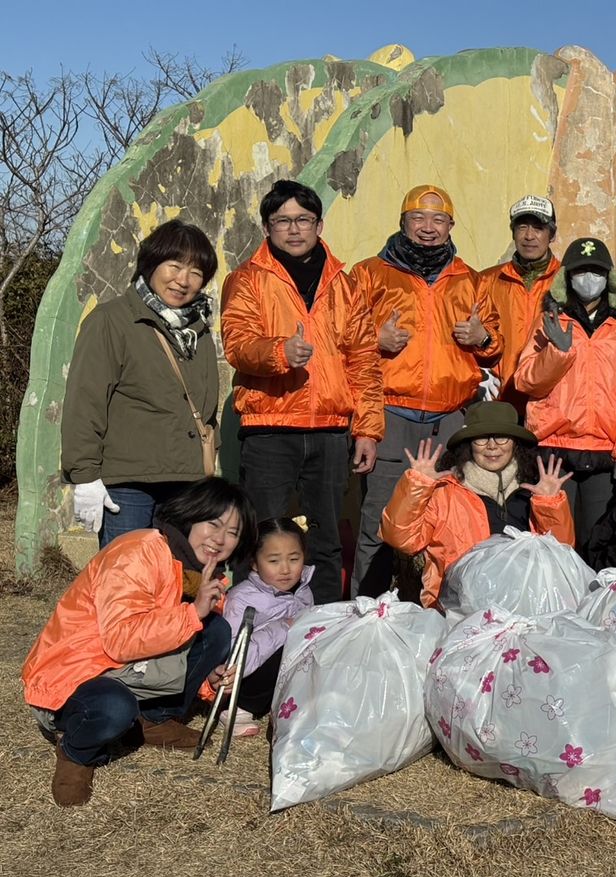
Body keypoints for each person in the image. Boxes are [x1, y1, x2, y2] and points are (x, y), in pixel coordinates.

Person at [22, 477, 256, 806]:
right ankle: (76, 751)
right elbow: (120, 641)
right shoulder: (138, 552)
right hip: (75, 677)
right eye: (213, 524)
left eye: (233, 533)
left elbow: (179, 645)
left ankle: (154, 720)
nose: (220, 539)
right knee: (115, 707)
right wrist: (193, 612)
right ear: (190, 516)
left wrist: (209, 682)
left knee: (216, 630)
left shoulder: (203, 573)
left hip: (127, 670)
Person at [221, 180, 384, 604]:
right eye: (283, 221)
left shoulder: (345, 286)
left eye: (303, 220)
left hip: (331, 430)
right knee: (261, 537)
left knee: (327, 539)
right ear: (267, 227)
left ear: (319, 224)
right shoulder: (247, 280)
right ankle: (251, 634)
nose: (294, 230)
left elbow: (364, 361)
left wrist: (367, 429)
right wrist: (280, 351)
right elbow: (238, 345)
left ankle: (326, 632)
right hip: (269, 426)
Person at [350, 184, 503, 597]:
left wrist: (482, 336)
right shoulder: (368, 274)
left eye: (438, 220)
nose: (428, 228)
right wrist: (373, 338)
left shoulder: (469, 279)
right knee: (380, 522)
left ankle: (441, 608)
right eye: (418, 219)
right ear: (402, 223)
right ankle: (366, 613)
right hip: (390, 414)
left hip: (450, 419)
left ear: (451, 225)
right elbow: (341, 340)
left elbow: (496, 347)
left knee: (449, 522)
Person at [62, 219, 221, 547]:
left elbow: (207, 408)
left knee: (174, 580)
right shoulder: (112, 320)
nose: (183, 280)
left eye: (195, 272)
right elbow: (85, 401)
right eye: (174, 266)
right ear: (151, 265)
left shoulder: (198, 331)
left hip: (185, 482)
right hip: (128, 484)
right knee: (126, 579)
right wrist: (85, 476)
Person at [514, 236, 616, 543]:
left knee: (596, 540)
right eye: (580, 271)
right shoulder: (549, 322)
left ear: (609, 278)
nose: (588, 279)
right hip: (553, 448)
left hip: (604, 455)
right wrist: (557, 354)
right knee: (553, 541)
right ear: (567, 277)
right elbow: (525, 381)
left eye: (596, 271)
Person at [379, 402, 574, 608]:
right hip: (457, 606)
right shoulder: (444, 491)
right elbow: (399, 538)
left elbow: (562, 556)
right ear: (469, 444)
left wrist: (550, 505)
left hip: (525, 604)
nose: (492, 445)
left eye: (501, 436)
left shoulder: (534, 491)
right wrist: (417, 486)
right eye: (482, 438)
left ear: (515, 443)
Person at [220, 517, 314, 737]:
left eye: (294, 559)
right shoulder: (241, 598)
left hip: (287, 677)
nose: (285, 569)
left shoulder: (303, 590)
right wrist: (283, 628)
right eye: (273, 561)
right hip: (245, 679)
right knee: (286, 645)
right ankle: (239, 708)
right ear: (254, 562)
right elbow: (231, 655)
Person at [478, 195, 561, 410]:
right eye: (522, 227)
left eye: (538, 228)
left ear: (552, 234)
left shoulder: (567, 282)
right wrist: (476, 374)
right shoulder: (486, 281)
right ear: (513, 232)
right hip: (499, 399)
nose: (529, 236)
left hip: (551, 402)